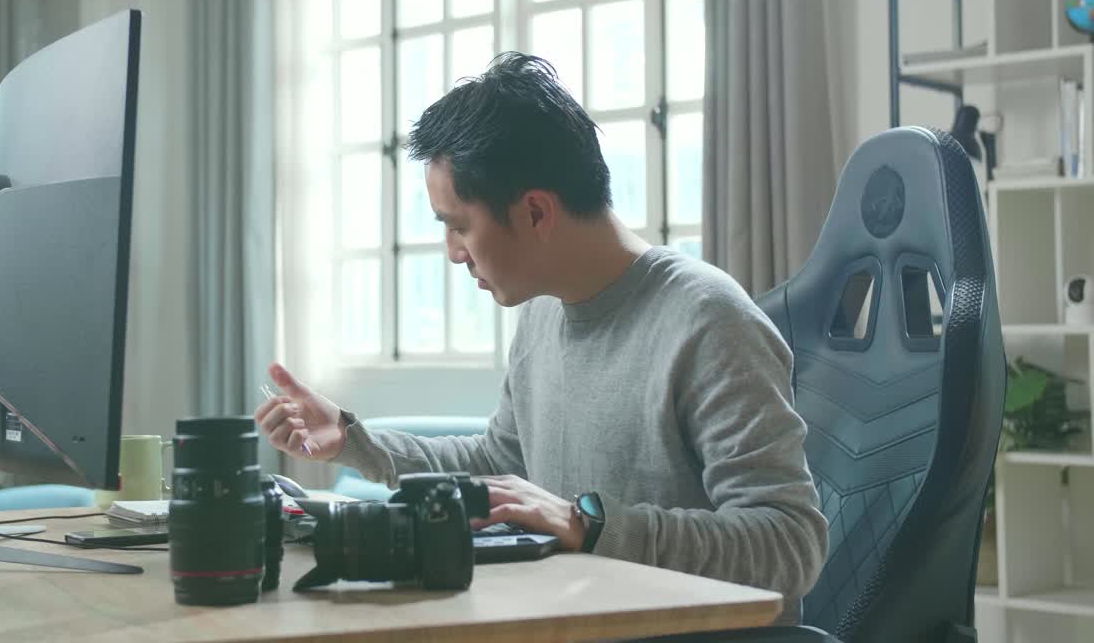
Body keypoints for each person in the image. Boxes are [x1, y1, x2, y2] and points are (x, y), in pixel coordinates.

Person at [257, 52, 827, 623]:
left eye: (459, 226)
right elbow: (497, 464)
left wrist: (587, 524)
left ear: (534, 212)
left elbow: (789, 543)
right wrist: (352, 441)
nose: (453, 253)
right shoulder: (542, 315)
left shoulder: (709, 321)